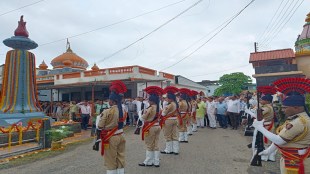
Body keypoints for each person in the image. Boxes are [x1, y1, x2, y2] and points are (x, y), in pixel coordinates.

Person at [252, 79, 310, 174]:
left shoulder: (299, 122)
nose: (282, 110)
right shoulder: (295, 119)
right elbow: (284, 137)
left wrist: (260, 127)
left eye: (285, 107)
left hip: (296, 161)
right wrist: (269, 151)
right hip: (291, 157)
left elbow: (279, 140)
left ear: (296, 107)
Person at [98, 80, 127, 174]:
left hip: (111, 137)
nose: (108, 102)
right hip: (121, 135)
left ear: (112, 101)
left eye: (109, 100)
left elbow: (100, 126)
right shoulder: (123, 110)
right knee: (120, 157)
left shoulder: (107, 111)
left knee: (110, 159)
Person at [138, 86, 163, 167]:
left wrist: (139, 113)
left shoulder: (150, 108)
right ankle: (156, 162)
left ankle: (148, 161)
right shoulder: (159, 107)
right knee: (156, 144)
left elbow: (142, 118)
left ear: (152, 101)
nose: (148, 101)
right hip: (157, 126)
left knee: (149, 144)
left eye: (149, 100)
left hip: (150, 127)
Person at [160, 86, 179, 155]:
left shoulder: (170, 105)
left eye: (167, 98)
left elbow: (163, 114)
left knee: (167, 135)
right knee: (174, 134)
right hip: (175, 119)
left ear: (170, 98)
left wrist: (162, 110)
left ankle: (168, 150)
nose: (166, 99)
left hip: (168, 120)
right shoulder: (175, 103)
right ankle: (175, 150)